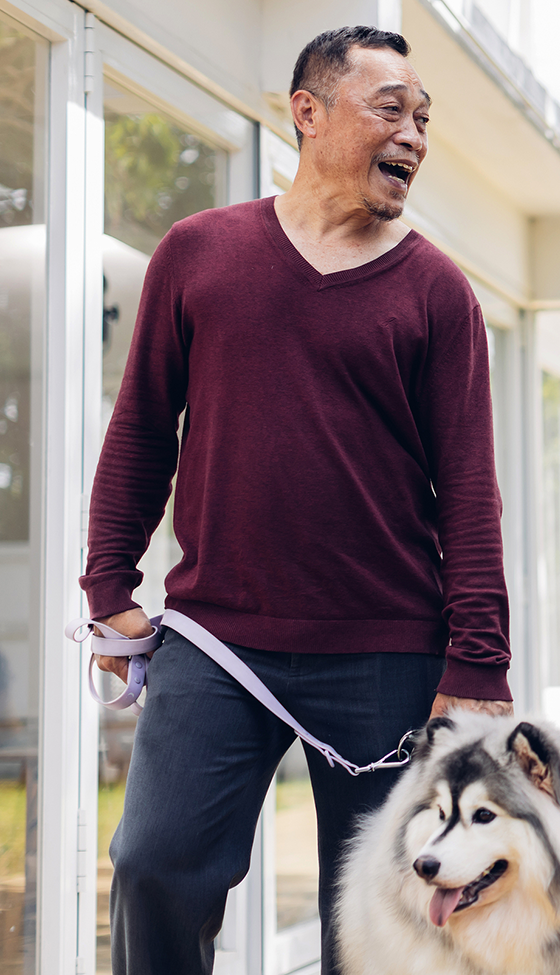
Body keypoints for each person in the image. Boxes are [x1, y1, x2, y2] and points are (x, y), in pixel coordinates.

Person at [79, 26, 512, 975]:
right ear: (306, 114)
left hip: (387, 648)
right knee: (153, 864)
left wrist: (479, 658)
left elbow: (469, 490)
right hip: (216, 638)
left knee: (381, 920)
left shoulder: (439, 292)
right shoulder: (198, 254)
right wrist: (108, 580)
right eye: (391, 109)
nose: (414, 136)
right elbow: (145, 426)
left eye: (423, 120)